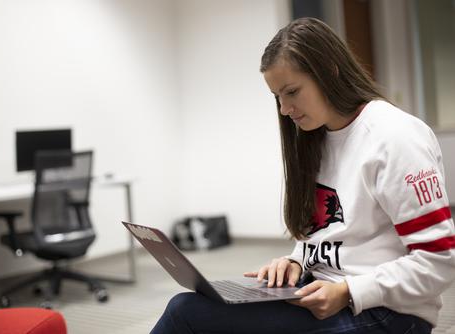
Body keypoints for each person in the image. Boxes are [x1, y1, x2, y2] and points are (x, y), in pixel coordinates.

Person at [150, 17, 455, 334]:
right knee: (185, 308)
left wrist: (349, 291)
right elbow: (326, 233)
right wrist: (296, 262)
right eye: (277, 96)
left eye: (292, 91)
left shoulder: (395, 137)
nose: (284, 109)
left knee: (186, 317)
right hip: (319, 290)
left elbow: (438, 262)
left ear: (330, 72)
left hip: (389, 313)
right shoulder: (316, 138)